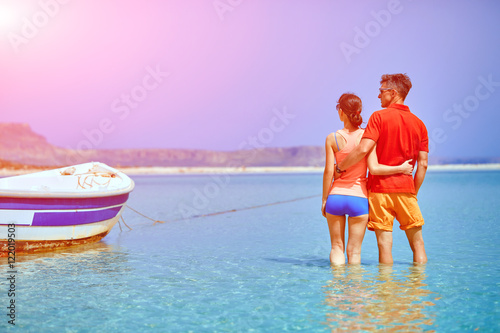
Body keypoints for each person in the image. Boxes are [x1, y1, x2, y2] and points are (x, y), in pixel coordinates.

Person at [337, 74, 429, 264]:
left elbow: (363, 149)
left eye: (381, 91)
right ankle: (419, 287)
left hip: (379, 191)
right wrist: (413, 191)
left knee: (384, 245)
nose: (378, 96)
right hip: (406, 190)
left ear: (393, 93)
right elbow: (423, 165)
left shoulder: (378, 117)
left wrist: (341, 167)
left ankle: (386, 291)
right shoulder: (420, 124)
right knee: (418, 244)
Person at [322, 93, 413, 265]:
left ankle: (336, 289)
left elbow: (328, 172)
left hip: (336, 197)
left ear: (341, 112)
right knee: (354, 252)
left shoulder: (332, 138)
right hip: (359, 198)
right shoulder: (367, 137)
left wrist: (324, 199)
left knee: (336, 247)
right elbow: (374, 167)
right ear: (358, 112)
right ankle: (355, 289)